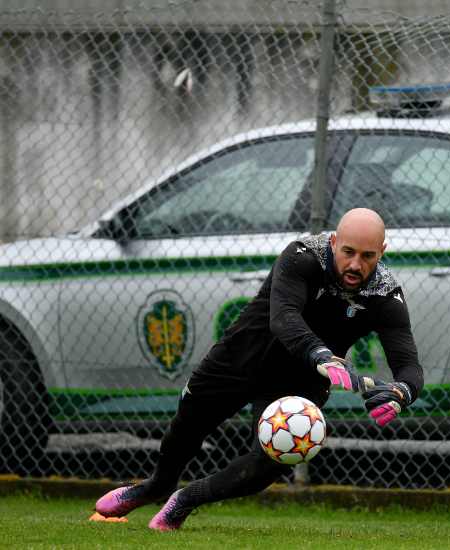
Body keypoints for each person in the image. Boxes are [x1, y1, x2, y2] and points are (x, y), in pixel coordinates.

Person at [94, 207, 424, 531]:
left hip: (299, 382)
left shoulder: (385, 294)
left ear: (382, 251)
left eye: (367, 256)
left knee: (271, 462)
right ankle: (156, 486)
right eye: (348, 252)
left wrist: (401, 392)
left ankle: (185, 500)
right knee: (187, 426)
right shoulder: (302, 255)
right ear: (335, 241)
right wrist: (321, 354)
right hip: (243, 355)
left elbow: (409, 366)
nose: (355, 265)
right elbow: (285, 319)